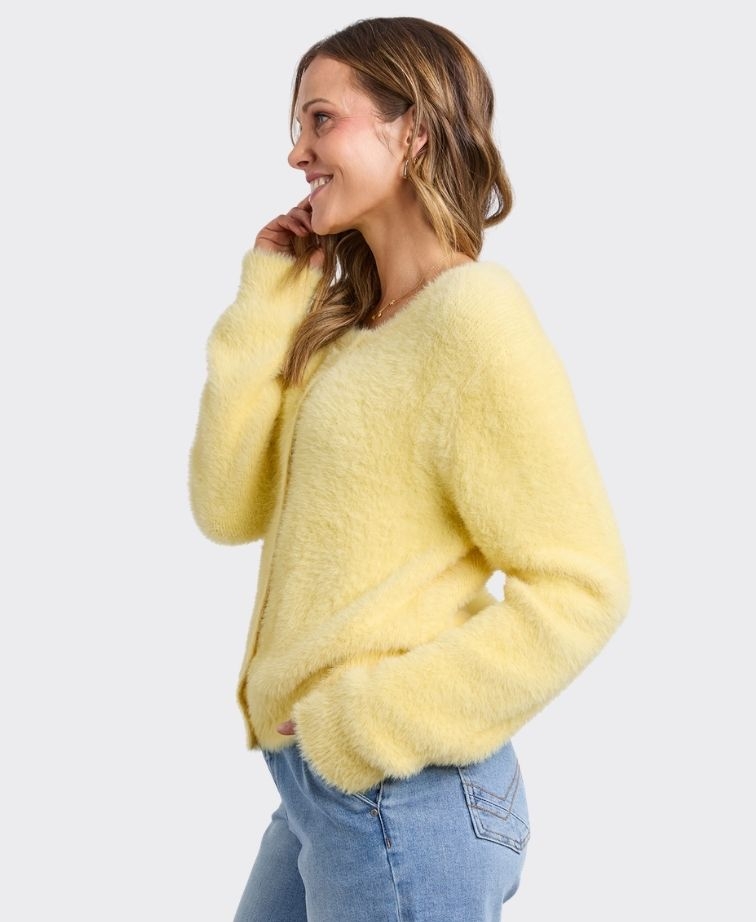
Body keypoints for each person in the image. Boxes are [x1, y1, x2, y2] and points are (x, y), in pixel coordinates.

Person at [188, 16, 631, 922]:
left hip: (401, 792)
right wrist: (270, 295)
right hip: (322, 793)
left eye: (321, 120)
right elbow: (226, 505)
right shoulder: (348, 332)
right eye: (298, 126)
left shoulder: (473, 318)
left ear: (414, 131)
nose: (296, 153)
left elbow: (585, 588)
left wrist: (361, 722)